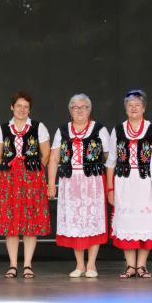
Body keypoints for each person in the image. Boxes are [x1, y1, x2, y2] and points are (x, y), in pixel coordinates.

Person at [47, 94, 110, 278]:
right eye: (75, 107)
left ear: (89, 110)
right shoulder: (62, 130)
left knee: (93, 220)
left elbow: (109, 157)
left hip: (93, 181)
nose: (80, 110)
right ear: (70, 110)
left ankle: (91, 264)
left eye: (83, 107)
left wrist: (109, 182)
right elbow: (54, 158)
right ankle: (80, 264)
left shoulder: (99, 129)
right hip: (70, 182)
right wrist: (51, 183)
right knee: (75, 221)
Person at [106, 89, 152, 279]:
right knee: (127, 222)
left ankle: (142, 266)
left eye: (137, 105)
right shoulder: (118, 130)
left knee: (145, 222)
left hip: (146, 183)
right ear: (125, 108)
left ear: (144, 108)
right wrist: (110, 188)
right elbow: (111, 162)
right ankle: (130, 265)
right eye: (130, 105)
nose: (133, 108)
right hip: (123, 183)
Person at [0, 91, 50, 279]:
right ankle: (12, 264)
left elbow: (46, 154)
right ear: (12, 107)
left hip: (32, 178)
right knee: (11, 222)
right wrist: (9, 169)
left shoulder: (38, 127)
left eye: (26, 107)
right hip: (9, 180)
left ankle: (27, 265)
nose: (22, 109)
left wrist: (35, 171)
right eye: (19, 106)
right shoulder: (2, 128)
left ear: (29, 110)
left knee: (30, 221)